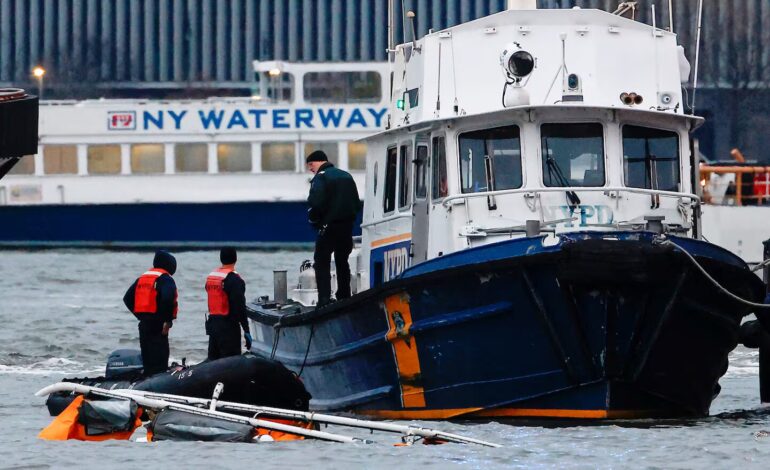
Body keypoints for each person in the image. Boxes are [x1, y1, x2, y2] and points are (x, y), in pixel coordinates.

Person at [306, 150, 360, 307]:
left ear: (319, 162)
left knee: (321, 262)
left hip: (328, 226)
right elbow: (356, 202)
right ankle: (344, 295)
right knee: (342, 260)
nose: (310, 169)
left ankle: (324, 298)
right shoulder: (346, 176)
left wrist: (315, 221)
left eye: (311, 164)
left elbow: (316, 203)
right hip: (347, 226)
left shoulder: (321, 177)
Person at [123, 250, 178, 376]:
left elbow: (127, 298)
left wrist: (140, 315)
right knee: (160, 360)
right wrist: (167, 320)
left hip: (144, 325)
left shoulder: (142, 278)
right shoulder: (165, 279)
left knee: (148, 360)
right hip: (158, 326)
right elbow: (168, 297)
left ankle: (147, 380)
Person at [205, 247, 252, 360]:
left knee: (213, 363)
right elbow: (240, 307)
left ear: (221, 258)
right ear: (235, 259)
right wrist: (246, 330)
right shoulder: (235, 280)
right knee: (230, 365)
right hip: (228, 329)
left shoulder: (211, 278)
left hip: (212, 327)